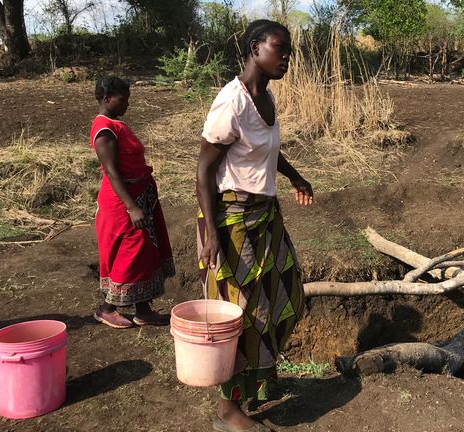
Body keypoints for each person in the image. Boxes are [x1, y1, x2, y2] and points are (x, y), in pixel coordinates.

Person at [196, 19, 313, 432]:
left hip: (265, 214)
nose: (286, 57)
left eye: (289, 51)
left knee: (287, 295)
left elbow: (267, 150)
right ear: (253, 48)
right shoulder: (232, 102)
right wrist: (210, 234)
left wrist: (295, 176)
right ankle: (229, 411)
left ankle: (259, 381)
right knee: (242, 314)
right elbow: (204, 168)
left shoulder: (266, 98)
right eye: (279, 48)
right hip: (233, 220)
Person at [89, 76, 175, 329]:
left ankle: (143, 310)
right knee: (132, 252)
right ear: (107, 99)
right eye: (122, 99)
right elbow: (112, 172)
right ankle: (107, 308)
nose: (127, 104)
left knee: (146, 252)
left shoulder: (115, 124)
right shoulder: (104, 129)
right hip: (123, 201)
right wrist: (132, 206)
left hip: (139, 196)